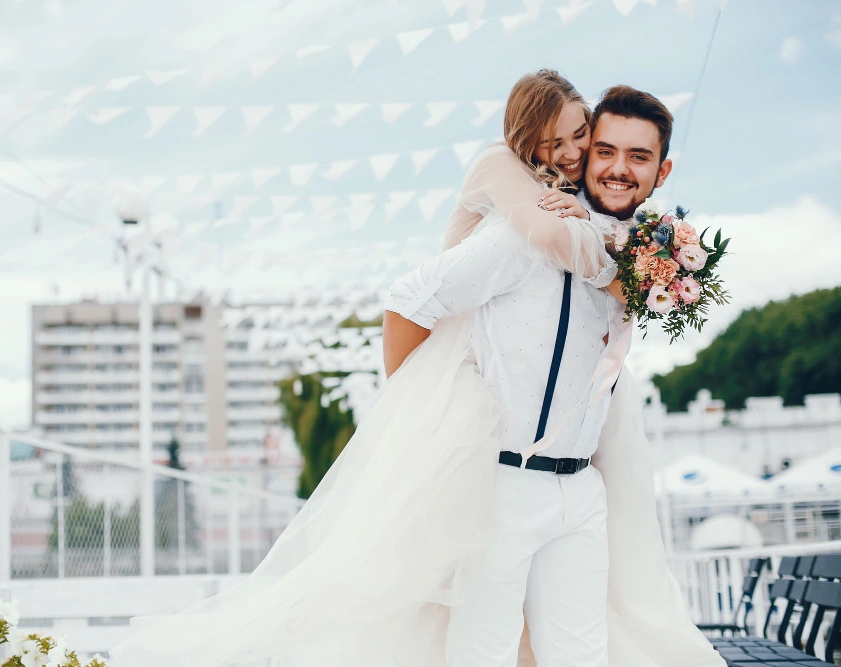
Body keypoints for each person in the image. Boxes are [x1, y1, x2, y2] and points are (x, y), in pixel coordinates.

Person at [108, 74, 723, 667]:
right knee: (481, 655)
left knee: (583, 657)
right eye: (605, 150)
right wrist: (425, 409)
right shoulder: (523, 237)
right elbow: (410, 300)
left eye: (636, 156)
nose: (616, 166)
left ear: (660, 171)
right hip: (503, 488)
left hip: (583, 492)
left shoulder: (642, 257)